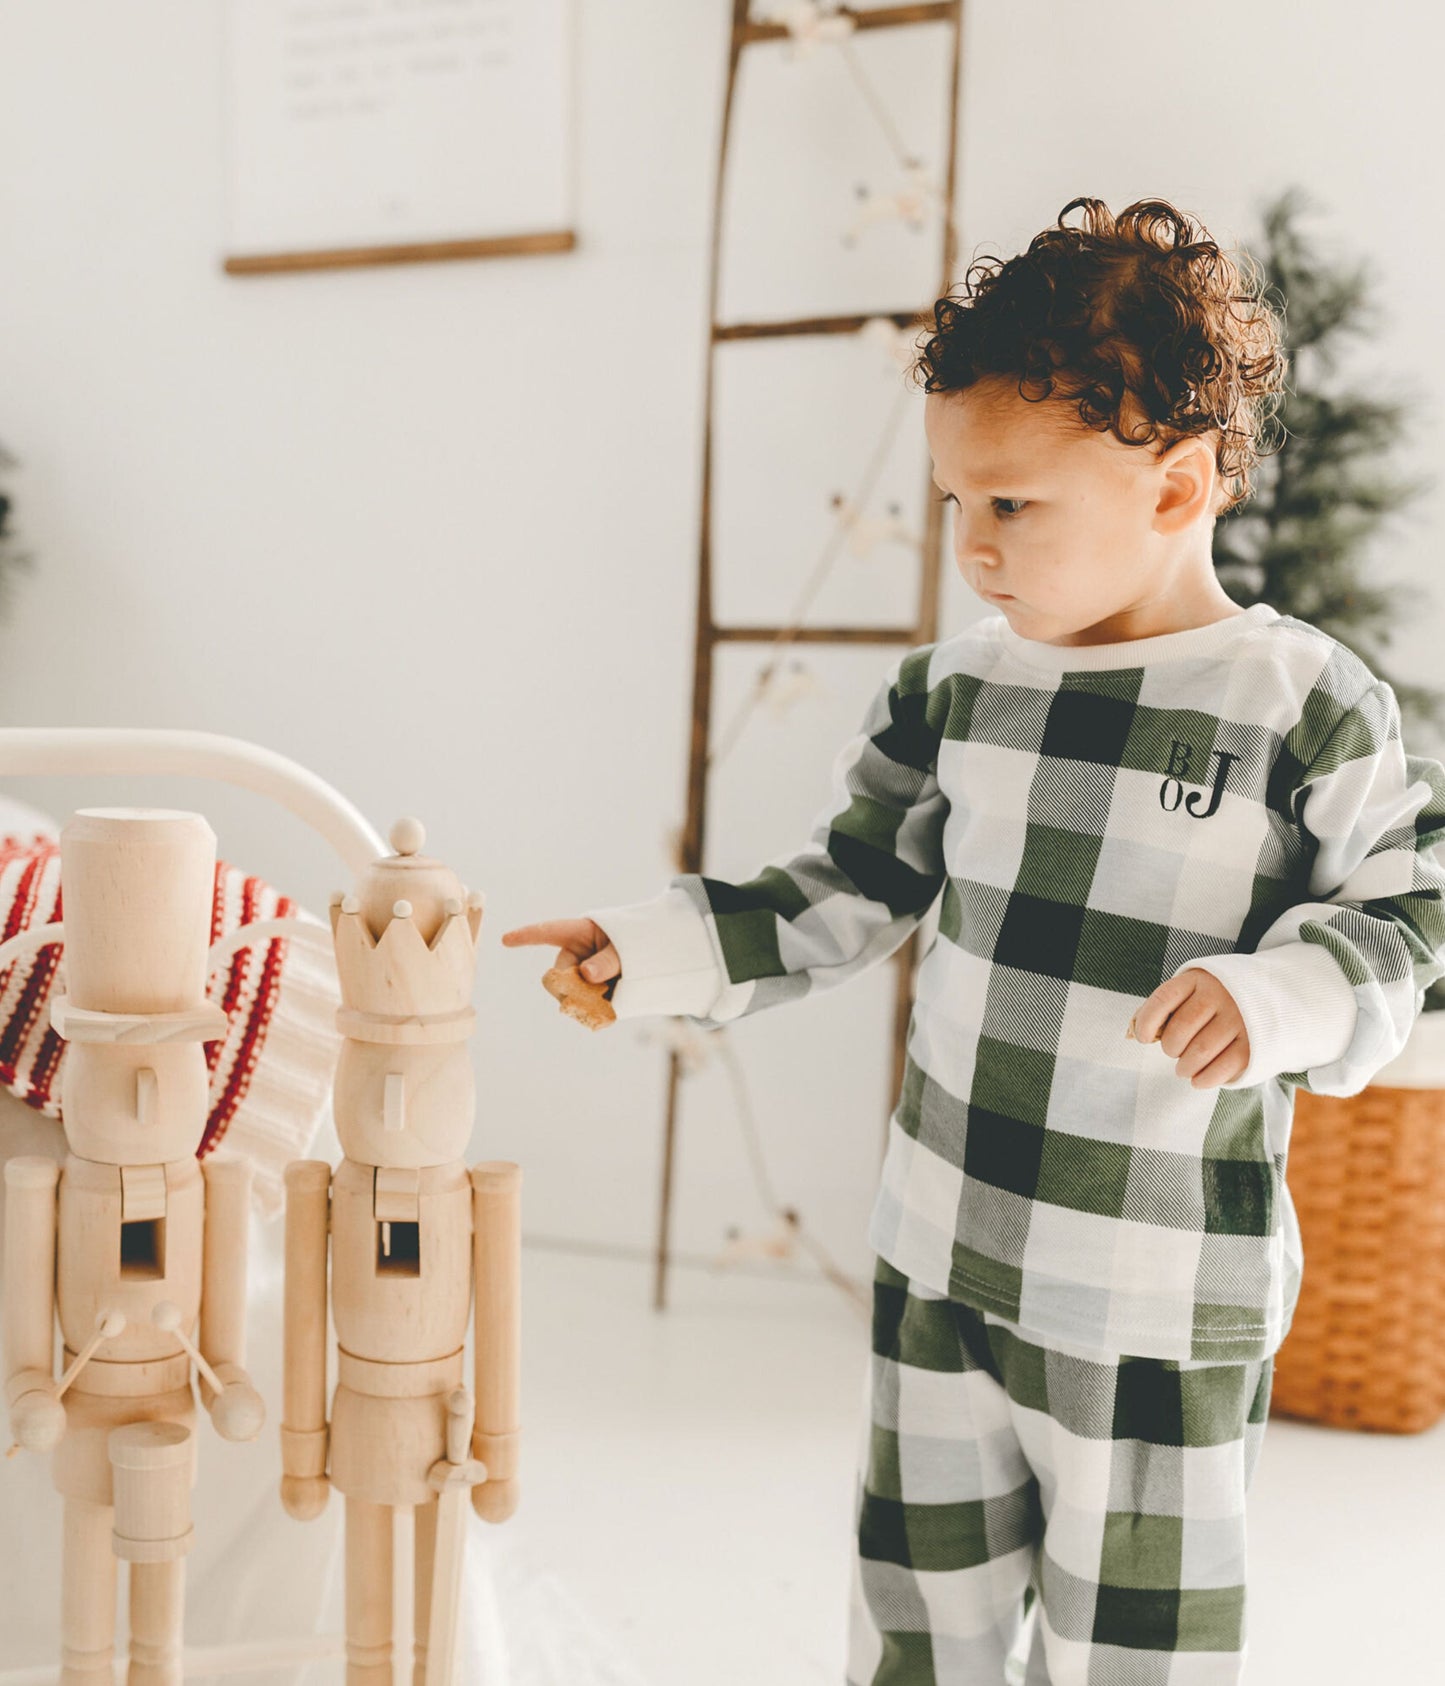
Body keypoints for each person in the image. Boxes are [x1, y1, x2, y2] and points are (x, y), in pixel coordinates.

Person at [501, 196, 1445, 1684]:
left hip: (1151, 1298)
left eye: (1010, 505)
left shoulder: (1299, 702)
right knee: (918, 1624)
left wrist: (1283, 995)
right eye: (953, 503)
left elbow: (1412, 906)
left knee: (1139, 1648)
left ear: (1178, 485)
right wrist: (657, 952)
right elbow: (839, 887)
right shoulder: (953, 695)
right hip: (941, 1261)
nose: (973, 548)